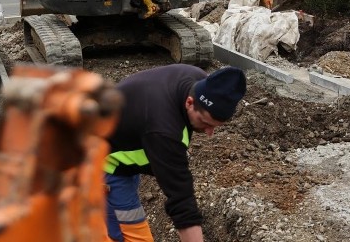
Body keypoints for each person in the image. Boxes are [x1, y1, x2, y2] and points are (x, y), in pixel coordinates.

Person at [103, 65, 246, 241]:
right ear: (189, 103)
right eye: (205, 123)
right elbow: (181, 202)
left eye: (215, 126)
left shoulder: (198, 80)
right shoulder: (163, 130)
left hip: (123, 146)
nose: (210, 133)